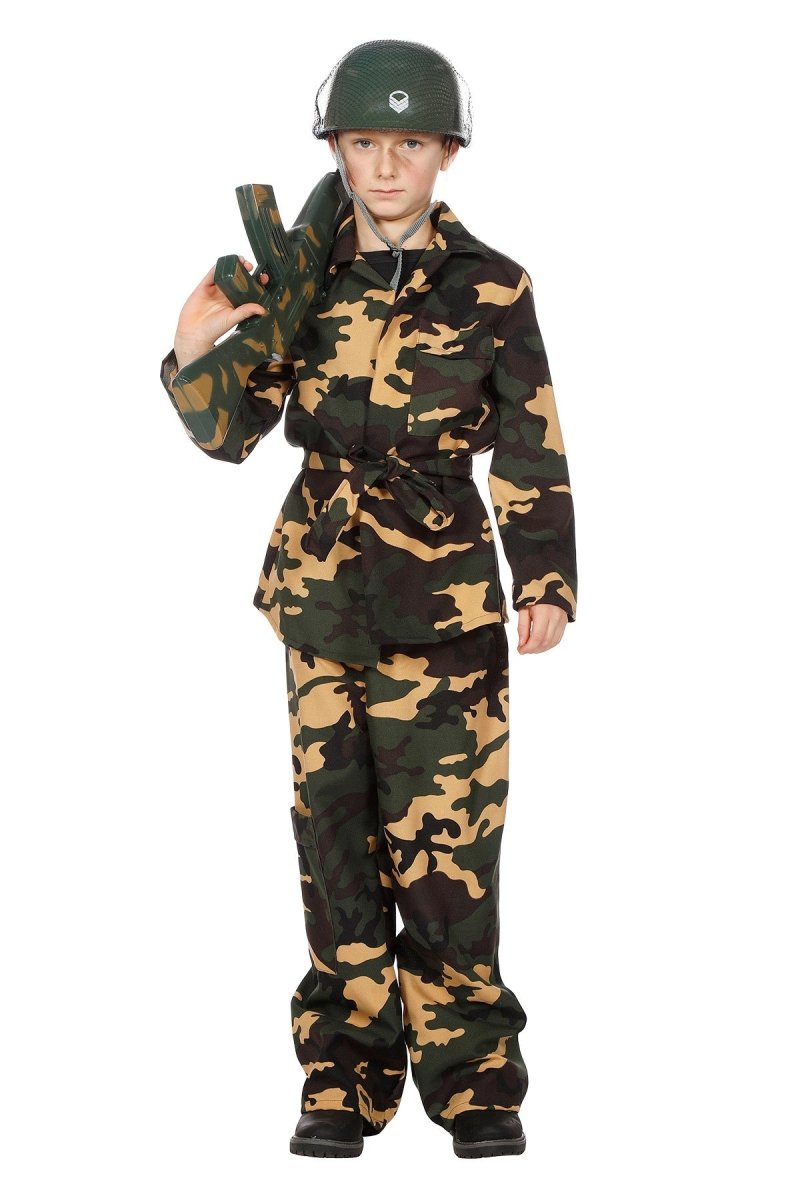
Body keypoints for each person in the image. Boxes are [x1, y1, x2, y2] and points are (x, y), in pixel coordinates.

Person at [159, 39, 578, 1160]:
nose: (385, 166)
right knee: (335, 842)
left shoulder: (493, 286)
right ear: (335, 149)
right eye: (362, 142)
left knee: (450, 849)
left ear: (447, 153)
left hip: (444, 601)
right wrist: (193, 347)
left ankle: (473, 1076)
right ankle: (343, 1072)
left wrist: (545, 578)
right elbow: (230, 434)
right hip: (320, 594)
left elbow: (530, 442)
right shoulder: (299, 277)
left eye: (409, 142)